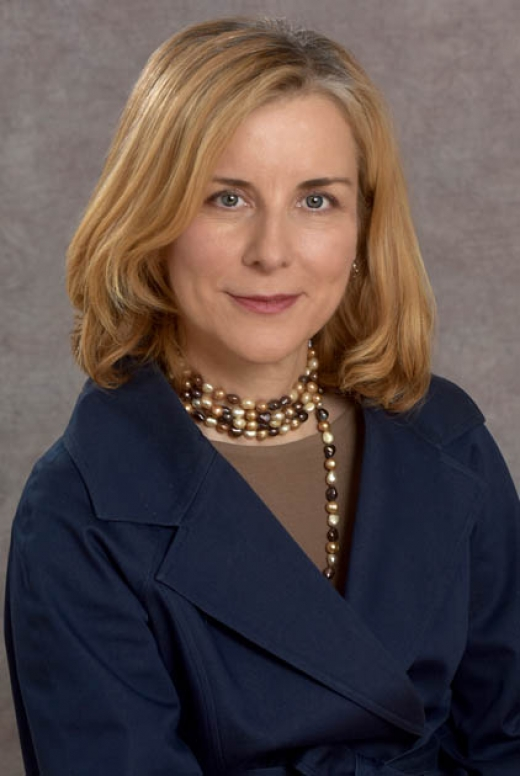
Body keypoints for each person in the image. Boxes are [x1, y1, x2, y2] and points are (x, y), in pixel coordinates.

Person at [4, 15, 520, 776]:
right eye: (226, 199)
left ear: (362, 227)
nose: (272, 252)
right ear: (153, 218)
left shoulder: (448, 439)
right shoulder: (76, 514)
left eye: (317, 201)